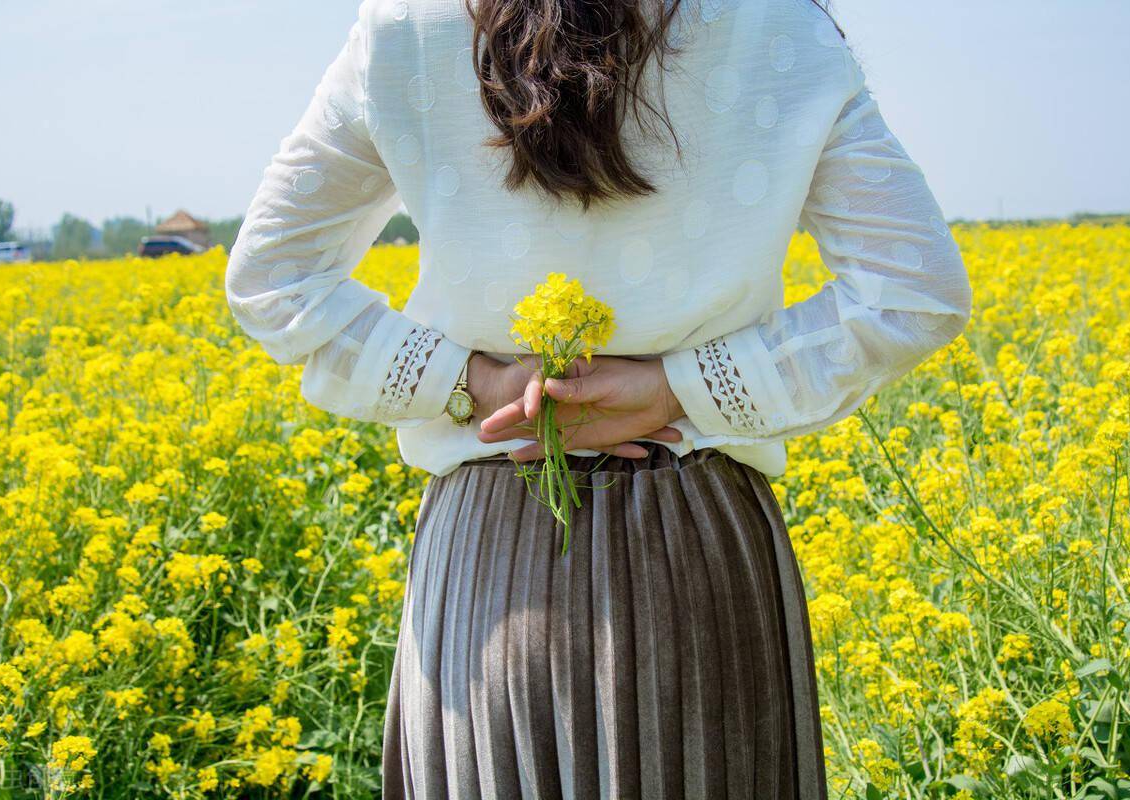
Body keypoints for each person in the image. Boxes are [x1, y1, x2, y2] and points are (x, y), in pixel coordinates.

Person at [224, 0, 973, 796]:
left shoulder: (410, 24)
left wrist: (475, 385)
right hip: (698, 555)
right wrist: (679, 392)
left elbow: (273, 278)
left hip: (486, 557)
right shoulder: (778, 24)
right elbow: (912, 292)